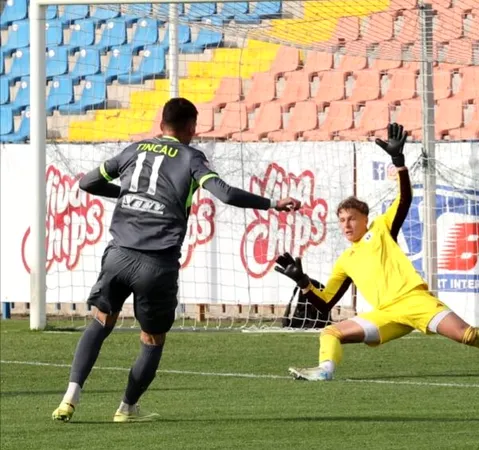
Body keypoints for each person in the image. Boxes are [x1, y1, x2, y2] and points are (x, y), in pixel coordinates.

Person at [52, 98, 302, 423]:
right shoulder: (191, 157)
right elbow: (225, 193)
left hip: (118, 256)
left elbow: (88, 183)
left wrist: (129, 195)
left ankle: (69, 397)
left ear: (161, 124)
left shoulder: (134, 150)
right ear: (191, 128)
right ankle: (127, 408)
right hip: (156, 264)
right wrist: (272, 204)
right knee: (152, 339)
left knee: (100, 321)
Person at [275, 123, 479, 382]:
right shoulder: (345, 260)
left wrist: (399, 163)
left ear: (365, 218)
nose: (346, 225)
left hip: (414, 301)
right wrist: (304, 282)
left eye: (351, 218)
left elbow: (404, 198)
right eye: (341, 220)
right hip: (386, 314)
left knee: (467, 335)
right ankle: (324, 371)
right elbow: (325, 304)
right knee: (330, 332)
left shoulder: (381, 229)